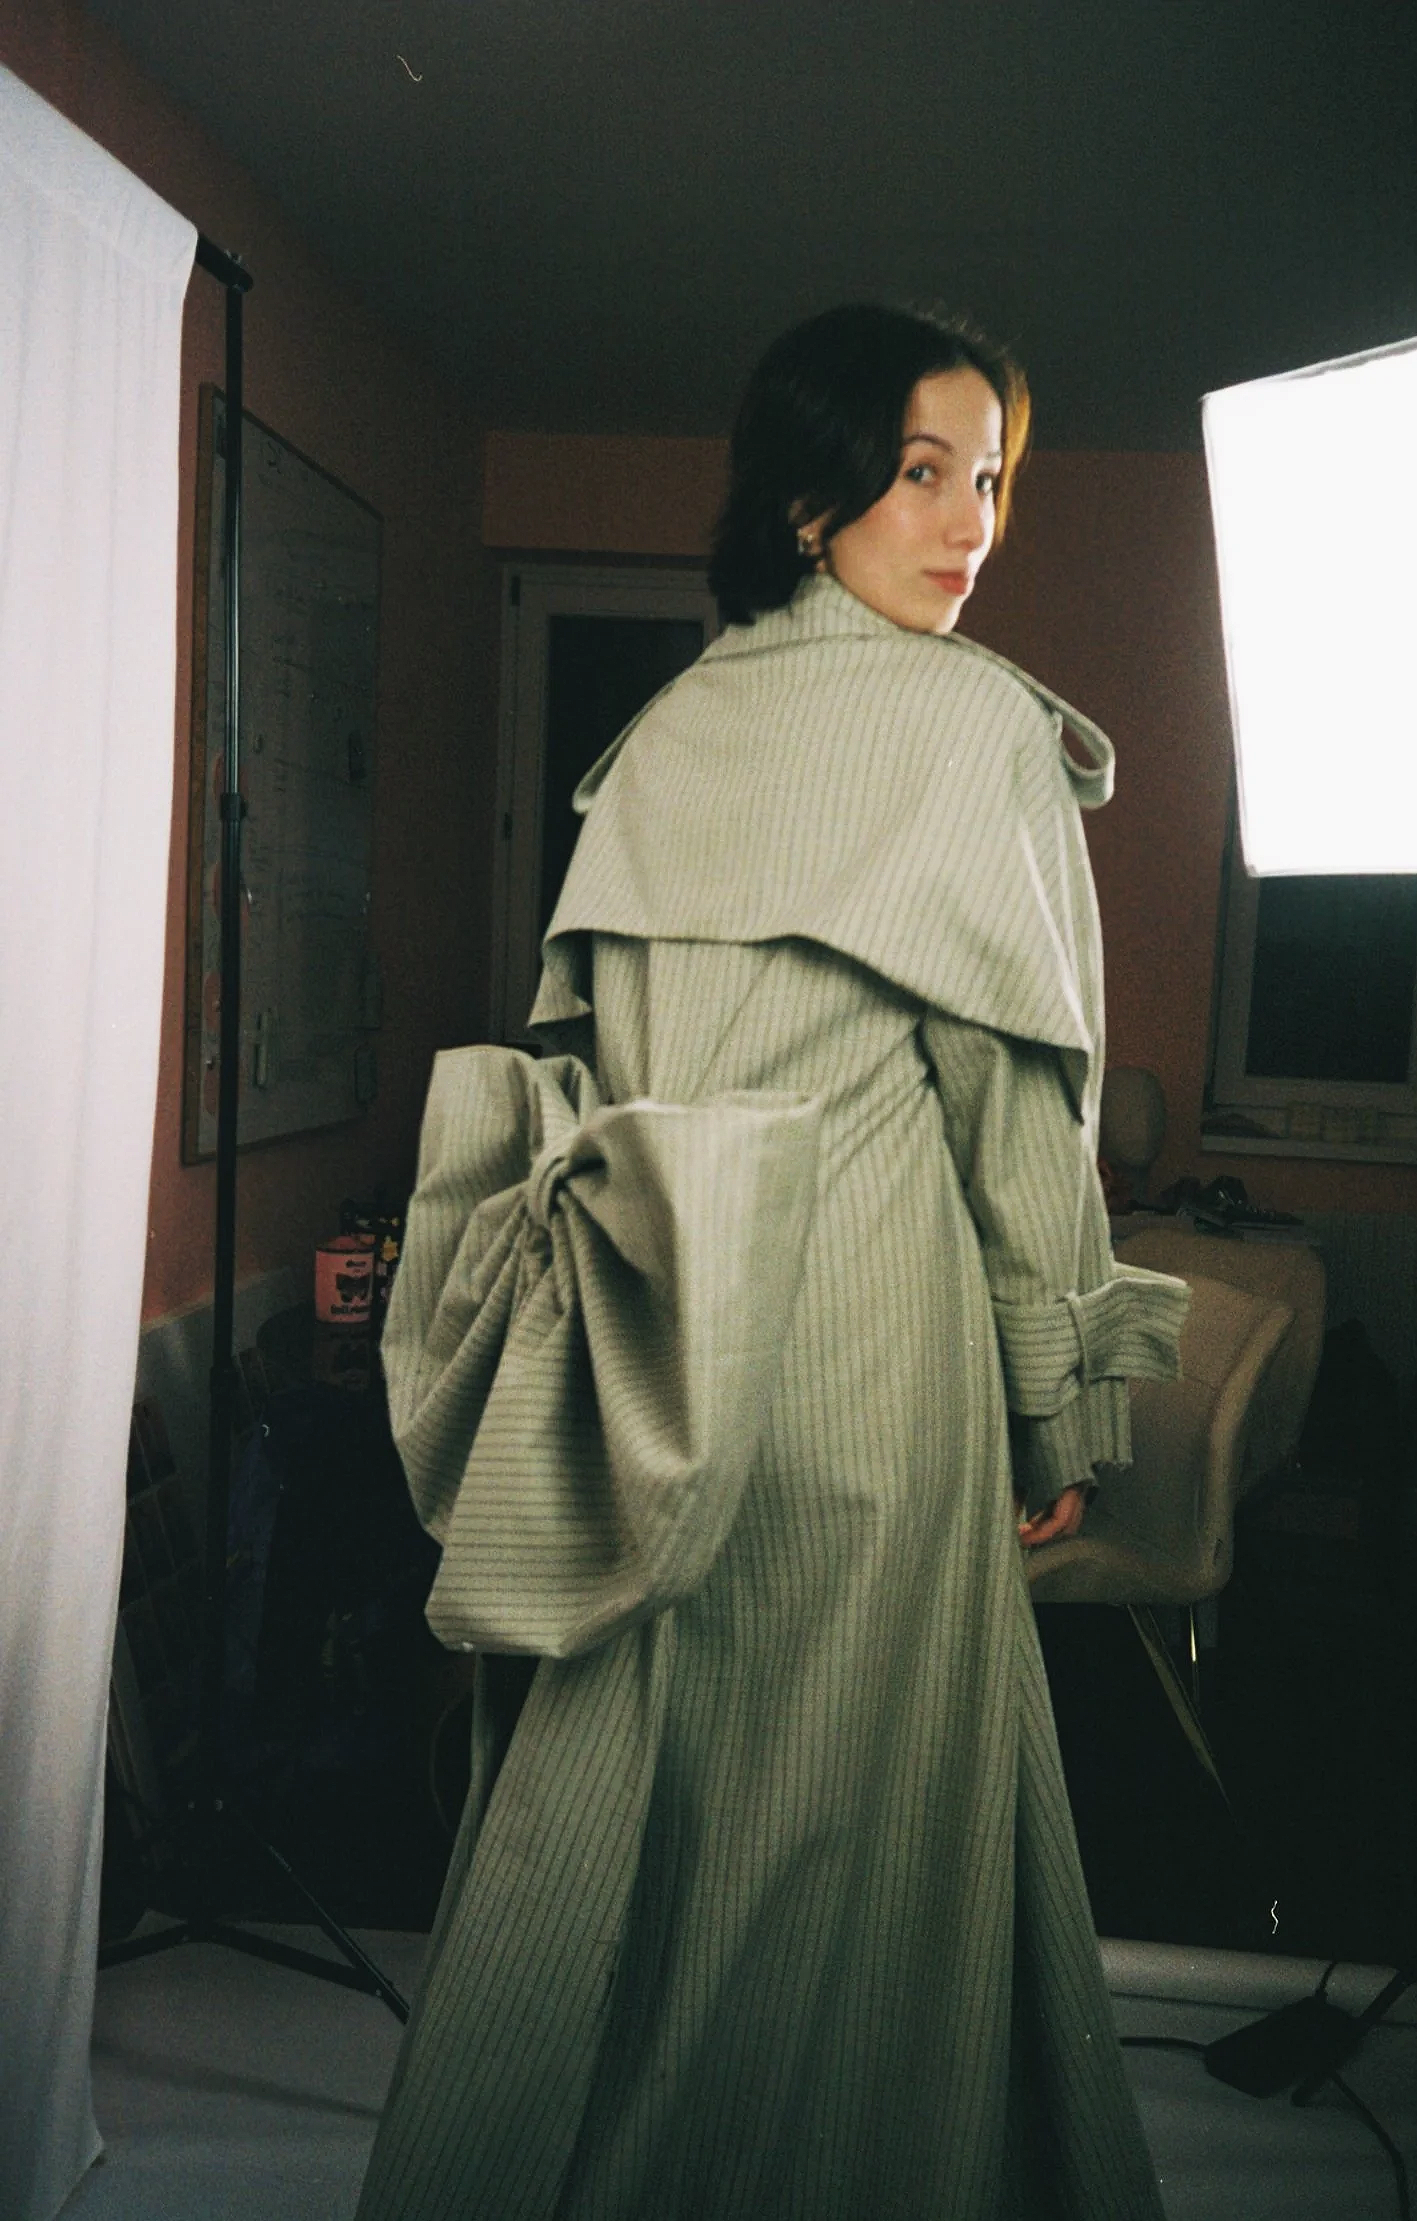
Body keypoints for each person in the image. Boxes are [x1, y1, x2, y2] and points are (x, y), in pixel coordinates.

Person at [357, 304, 1188, 2221]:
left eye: (992, 479)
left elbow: (590, 1060)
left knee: (665, 1826)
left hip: (651, 1364)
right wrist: (1060, 1413)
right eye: (925, 472)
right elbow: (1020, 1123)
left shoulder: (666, 727)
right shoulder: (978, 730)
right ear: (816, 491)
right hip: (875, 1376)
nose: (971, 523)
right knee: (873, 1843)